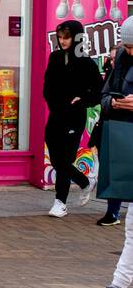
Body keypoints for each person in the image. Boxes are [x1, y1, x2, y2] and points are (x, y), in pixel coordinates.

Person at [92, 19, 133, 288]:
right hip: (128, 143)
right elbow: (104, 96)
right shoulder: (121, 59)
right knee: (132, 228)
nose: (128, 51)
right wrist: (116, 104)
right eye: (126, 46)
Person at [43, 19, 102, 218]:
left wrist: (82, 100)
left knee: (65, 159)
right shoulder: (55, 57)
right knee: (56, 158)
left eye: (66, 37)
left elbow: (98, 92)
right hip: (56, 115)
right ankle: (85, 181)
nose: (62, 41)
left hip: (75, 117)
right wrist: (55, 104)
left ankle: (60, 202)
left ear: (76, 37)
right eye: (60, 37)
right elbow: (47, 86)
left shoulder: (87, 63)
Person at [92, 47, 128, 227]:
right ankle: (112, 211)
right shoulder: (114, 73)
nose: (114, 62)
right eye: (111, 59)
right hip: (113, 127)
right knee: (114, 170)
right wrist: (113, 102)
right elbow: (103, 98)